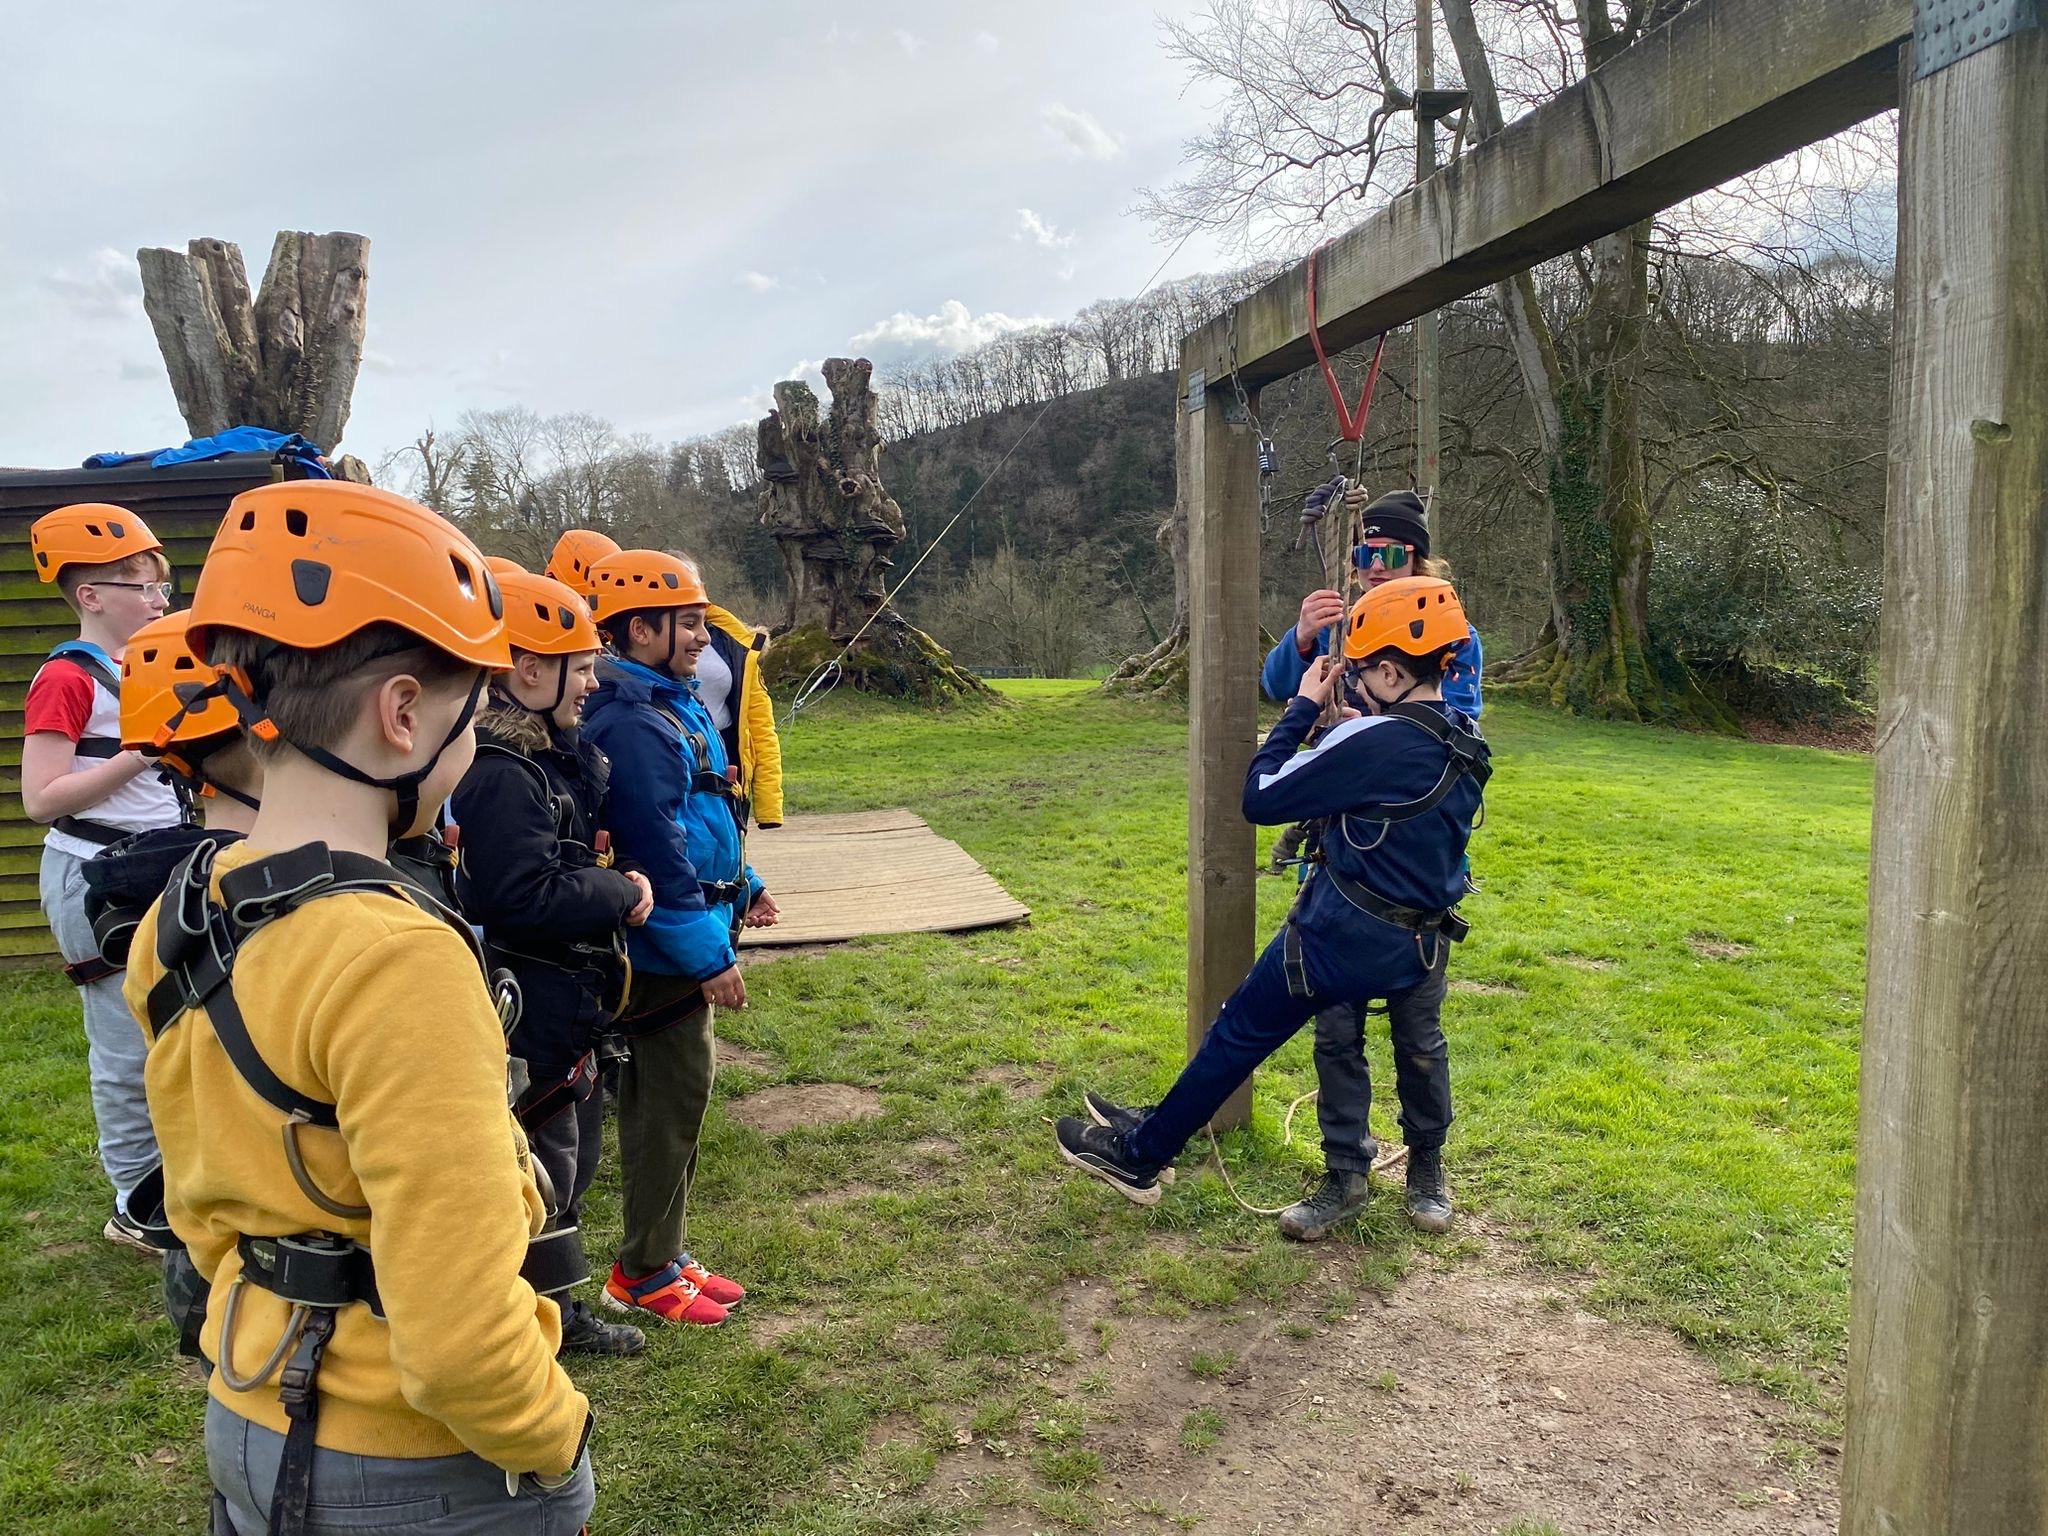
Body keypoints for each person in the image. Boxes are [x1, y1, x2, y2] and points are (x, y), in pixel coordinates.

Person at [125, 481, 594, 1535]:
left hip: (247, 1407)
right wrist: (553, 1436)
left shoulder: (183, 912)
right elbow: (461, 1338)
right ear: (402, 714)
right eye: (468, 720)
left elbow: (198, 1204)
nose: (469, 752)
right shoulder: (398, 959)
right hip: (412, 1462)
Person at [1058, 577, 1490, 1234]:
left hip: (1335, 940)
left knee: (1237, 1034)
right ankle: (1160, 1125)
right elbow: (1397, 787)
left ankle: (1141, 1156)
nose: (1355, 682)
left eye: (1363, 671)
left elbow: (1260, 796)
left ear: (1391, 672)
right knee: (1410, 1047)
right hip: (1418, 945)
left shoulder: (1370, 743)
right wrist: (1356, 737)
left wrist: (1302, 706)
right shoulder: (1463, 736)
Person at [1256, 486, 1484, 1239]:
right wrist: (1301, 637)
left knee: (1418, 1035)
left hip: (1413, 870)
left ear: (1419, 558)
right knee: (1334, 1031)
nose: (1374, 566)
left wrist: (1377, 733)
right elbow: (1277, 687)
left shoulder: (1450, 632)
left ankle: (1427, 1168)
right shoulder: (1340, 624)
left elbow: (1461, 727)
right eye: (1364, 552)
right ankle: (1344, 1175)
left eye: (1389, 553)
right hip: (1339, 860)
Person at [453, 566, 654, 1358]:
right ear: (529, 670)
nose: (594, 682)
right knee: (546, 1165)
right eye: (583, 667)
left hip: (568, 997)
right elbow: (522, 896)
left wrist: (615, 875)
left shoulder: (554, 760)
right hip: (534, 1001)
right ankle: (545, 1320)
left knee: (571, 1156)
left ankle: (554, 1310)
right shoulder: (503, 773)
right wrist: (618, 890)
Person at [581, 548, 779, 1328]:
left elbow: (704, 814)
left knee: (682, 1096)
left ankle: (663, 1253)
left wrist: (746, 882)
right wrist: (709, 956)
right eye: (690, 624)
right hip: (661, 950)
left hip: (686, 931)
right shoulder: (633, 723)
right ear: (641, 630)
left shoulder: (668, 702)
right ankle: (641, 1271)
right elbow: (655, 850)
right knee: (668, 1102)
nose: (703, 637)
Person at [20, 502, 182, 1253]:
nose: (160, 600)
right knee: (125, 1047)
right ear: (90, 595)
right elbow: (41, 797)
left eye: (161, 585)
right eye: (142, 586)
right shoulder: (66, 677)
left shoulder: (151, 666)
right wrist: (141, 754)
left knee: (176, 1032)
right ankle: (136, 1206)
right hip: (94, 874)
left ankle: (181, 1181)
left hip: (156, 863)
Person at [664, 548, 784, 831]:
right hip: (671, 760)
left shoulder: (733, 642)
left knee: (728, 848)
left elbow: (759, 724)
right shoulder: (642, 643)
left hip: (727, 760)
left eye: (690, 580)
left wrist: (769, 804)